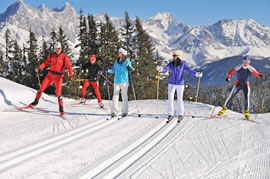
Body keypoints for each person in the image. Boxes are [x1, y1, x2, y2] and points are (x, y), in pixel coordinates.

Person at [156, 50, 202, 121]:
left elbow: (189, 70)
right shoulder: (171, 64)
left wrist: (196, 74)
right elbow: (165, 69)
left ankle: (181, 113)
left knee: (179, 99)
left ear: (178, 57)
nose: (173, 57)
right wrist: (160, 69)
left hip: (180, 84)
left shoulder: (183, 64)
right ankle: (170, 114)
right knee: (170, 98)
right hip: (171, 83)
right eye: (173, 56)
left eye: (175, 56)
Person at [29, 42, 73, 115]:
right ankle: (35, 102)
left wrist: (70, 74)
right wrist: (39, 67)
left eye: (58, 49)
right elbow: (46, 63)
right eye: (56, 49)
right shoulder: (51, 55)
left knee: (58, 93)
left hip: (58, 77)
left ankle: (61, 108)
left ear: (61, 49)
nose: (57, 50)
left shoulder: (64, 57)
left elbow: (68, 66)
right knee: (41, 88)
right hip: (50, 75)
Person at [107, 48, 135, 117]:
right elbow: (113, 70)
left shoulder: (127, 61)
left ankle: (125, 112)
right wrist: (107, 70)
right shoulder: (116, 61)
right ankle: (114, 112)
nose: (118, 53)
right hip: (116, 80)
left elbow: (132, 69)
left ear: (122, 54)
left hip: (124, 81)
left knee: (124, 96)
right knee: (115, 96)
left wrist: (130, 68)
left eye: (119, 52)